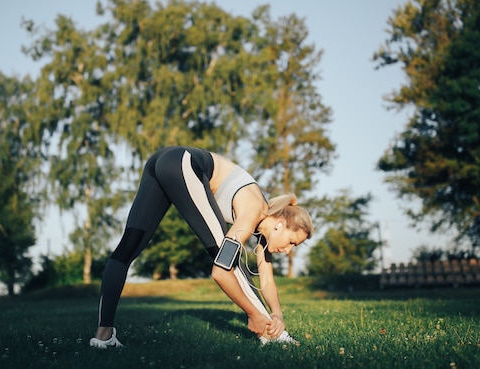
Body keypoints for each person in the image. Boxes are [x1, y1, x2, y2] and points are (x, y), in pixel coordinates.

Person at [89, 146, 314, 349]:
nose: (288, 250)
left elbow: (267, 279)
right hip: (184, 163)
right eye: (292, 242)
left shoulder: (263, 227)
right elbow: (221, 271)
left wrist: (277, 313)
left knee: (126, 249)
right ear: (280, 224)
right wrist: (254, 314)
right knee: (227, 259)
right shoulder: (254, 210)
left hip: (161, 161)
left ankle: (103, 337)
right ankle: (271, 336)